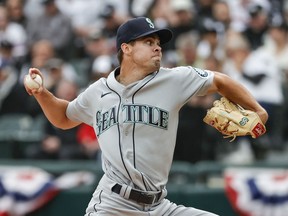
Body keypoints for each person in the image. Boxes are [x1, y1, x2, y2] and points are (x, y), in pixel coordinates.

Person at [23, 17, 268, 216]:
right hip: (113, 205)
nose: (158, 47)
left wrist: (257, 109)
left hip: (159, 206)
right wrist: (42, 93)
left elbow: (220, 80)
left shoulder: (174, 79)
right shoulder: (99, 91)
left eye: (158, 42)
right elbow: (64, 117)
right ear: (126, 48)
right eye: (148, 41)